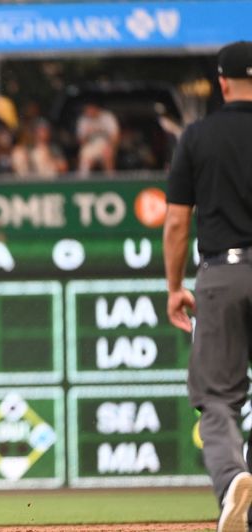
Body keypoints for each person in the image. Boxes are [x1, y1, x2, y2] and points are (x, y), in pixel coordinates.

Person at [164, 40, 252, 532]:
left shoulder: (198, 136)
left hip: (223, 271)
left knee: (217, 396)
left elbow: (178, 223)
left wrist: (175, 286)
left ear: (222, 82)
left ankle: (233, 477)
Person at [76, 102, 120, 177]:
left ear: (95, 108)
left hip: (106, 144)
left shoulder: (107, 117)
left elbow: (115, 135)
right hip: (91, 145)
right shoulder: (83, 119)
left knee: (107, 155)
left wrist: (111, 147)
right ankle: (83, 181)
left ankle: (110, 180)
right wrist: (86, 136)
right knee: (85, 155)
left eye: (90, 109)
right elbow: (81, 140)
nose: (88, 111)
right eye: (87, 109)